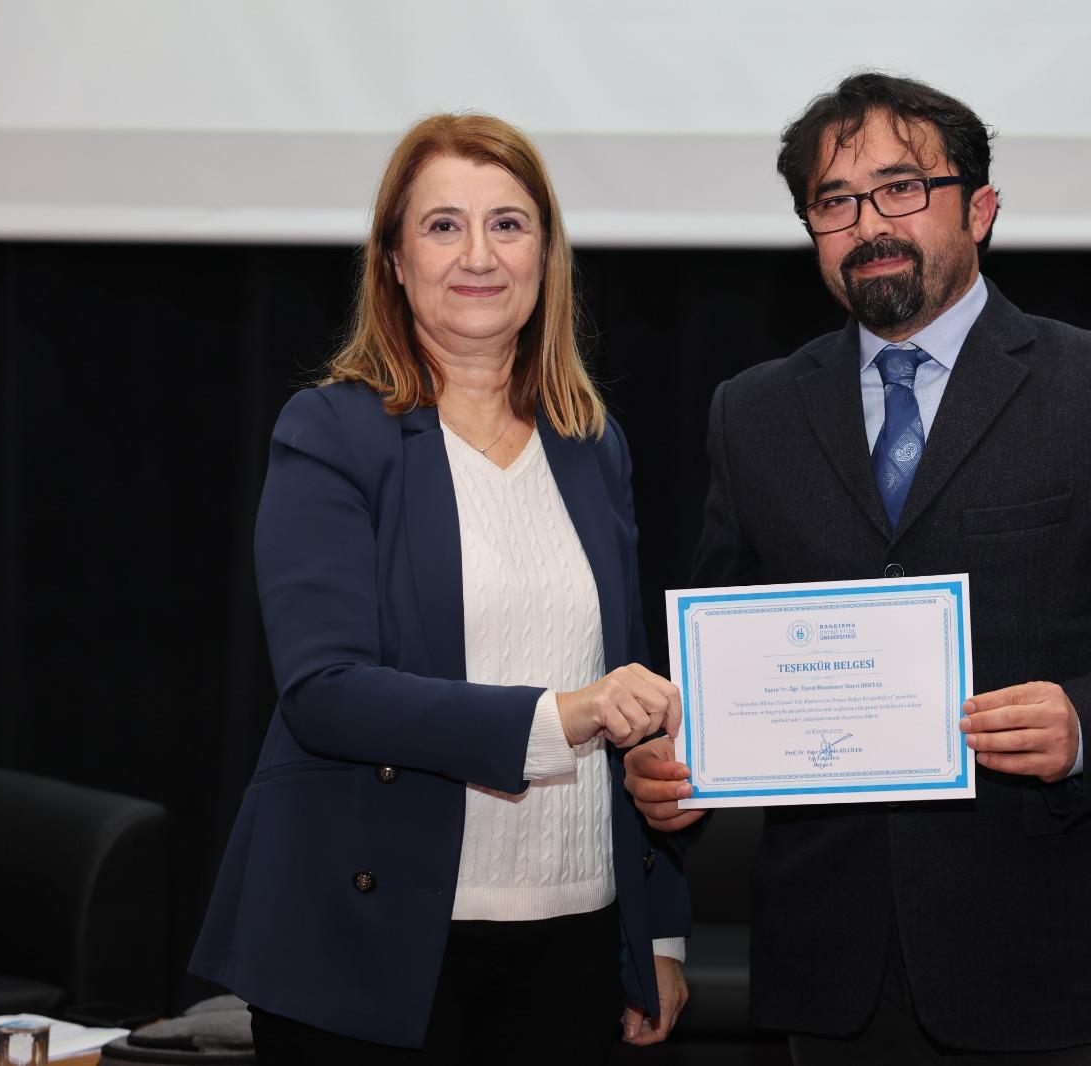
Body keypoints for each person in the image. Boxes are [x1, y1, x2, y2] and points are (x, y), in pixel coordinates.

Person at [624, 73, 1091, 1065]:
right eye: (835, 201)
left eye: (902, 187)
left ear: (981, 208)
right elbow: (723, 648)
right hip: (828, 970)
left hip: (1040, 963)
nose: (869, 224)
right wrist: (678, 762)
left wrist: (1086, 722)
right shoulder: (753, 412)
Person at [190, 112, 689, 1063]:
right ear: (393, 260)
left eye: (508, 224)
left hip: (575, 934)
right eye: (443, 225)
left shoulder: (591, 444)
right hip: (372, 943)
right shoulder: (331, 433)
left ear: (546, 255)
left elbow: (629, 683)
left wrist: (658, 928)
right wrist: (561, 716)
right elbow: (326, 692)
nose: (480, 256)